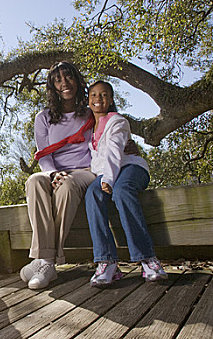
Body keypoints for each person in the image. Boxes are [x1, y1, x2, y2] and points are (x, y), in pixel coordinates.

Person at [19, 62, 97, 290]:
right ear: (53, 86)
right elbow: (43, 153)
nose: (65, 83)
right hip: (53, 169)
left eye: (69, 77)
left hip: (85, 171)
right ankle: (45, 260)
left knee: (68, 185)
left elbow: (107, 135)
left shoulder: (90, 113)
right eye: (59, 80)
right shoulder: (43, 118)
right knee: (33, 181)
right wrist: (52, 173)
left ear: (78, 81)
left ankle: (47, 261)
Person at [85, 81, 167, 287]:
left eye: (104, 95)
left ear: (111, 99)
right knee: (92, 194)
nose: (98, 99)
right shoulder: (89, 130)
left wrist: (109, 180)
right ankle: (107, 261)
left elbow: (114, 150)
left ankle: (147, 259)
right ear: (88, 100)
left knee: (121, 191)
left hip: (130, 168)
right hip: (107, 173)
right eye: (94, 95)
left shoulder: (117, 121)